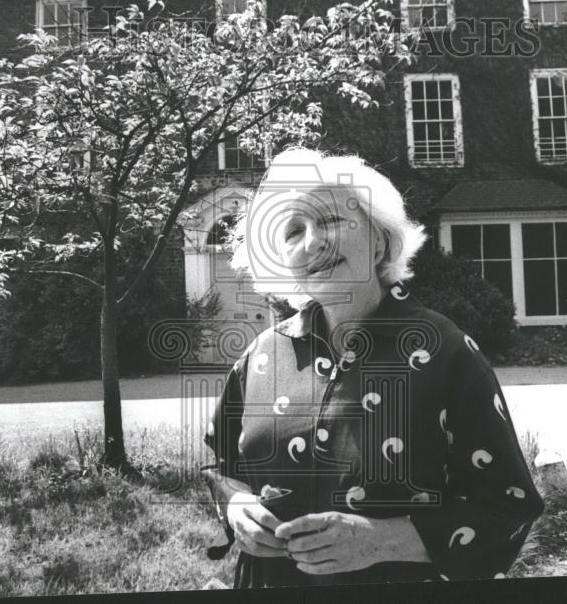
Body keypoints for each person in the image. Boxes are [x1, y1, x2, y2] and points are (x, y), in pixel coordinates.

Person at [199, 148, 544, 588]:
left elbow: (508, 507)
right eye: (293, 231)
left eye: (330, 221)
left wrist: (382, 540)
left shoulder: (445, 351)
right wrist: (234, 507)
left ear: (379, 239)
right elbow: (220, 465)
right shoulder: (262, 354)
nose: (312, 241)